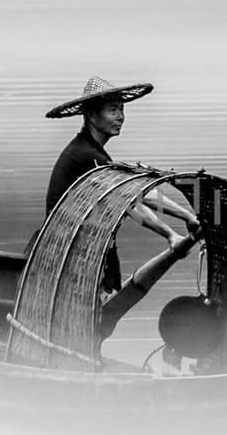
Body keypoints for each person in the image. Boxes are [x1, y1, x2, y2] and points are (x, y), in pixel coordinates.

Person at [42, 75, 202, 328]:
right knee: (91, 322)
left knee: (99, 321)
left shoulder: (94, 154)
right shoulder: (86, 156)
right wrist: (180, 224)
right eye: (113, 109)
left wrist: (176, 228)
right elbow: (134, 197)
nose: (121, 116)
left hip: (83, 248)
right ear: (92, 115)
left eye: (122, 109)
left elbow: (129, 202)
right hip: (68, 252)